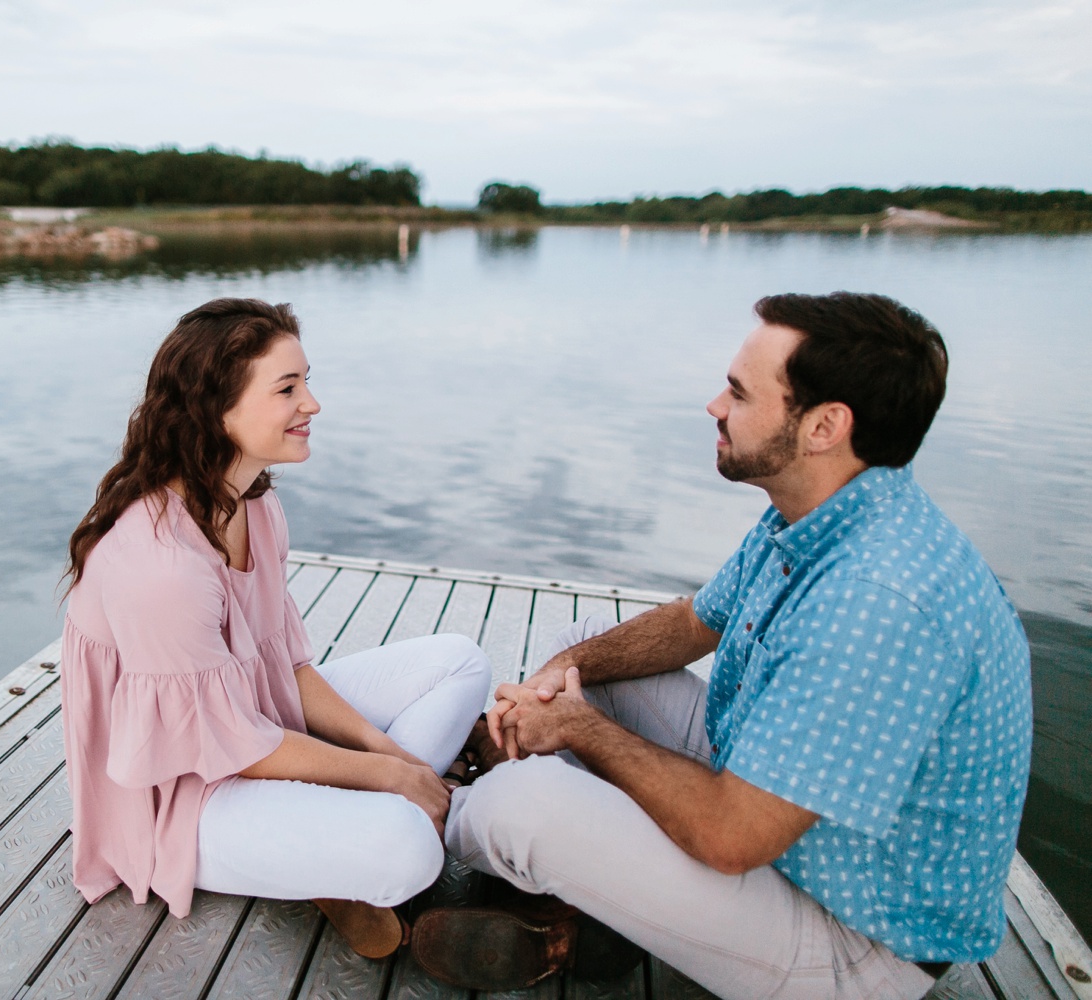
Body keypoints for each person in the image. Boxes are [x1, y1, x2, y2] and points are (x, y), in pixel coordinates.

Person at [412, 292, 1032, 999]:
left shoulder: (879, 602)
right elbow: (692, 623)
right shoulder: (822, 511)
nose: (714, 405)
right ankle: (588, 910)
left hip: (855, 937)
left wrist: (575, 728)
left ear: (824, 426)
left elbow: (732, 837)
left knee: (516, 806)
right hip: (789, 825)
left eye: (739, 392)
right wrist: (556, 680)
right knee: (583, 651)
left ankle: (417, 822)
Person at [60, 297, 491, 957]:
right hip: (182, 800)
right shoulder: (159, 565)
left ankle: (348, 828)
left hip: (257, 725)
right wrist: (385, 775)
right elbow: (233, 746)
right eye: (288, 387)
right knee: (405, 847)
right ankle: (372, 826)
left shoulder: (255, 508)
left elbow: (287, 668)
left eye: (307, 381)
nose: (312, 404)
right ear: (215, 410)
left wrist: (389, 757)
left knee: (462, 662)